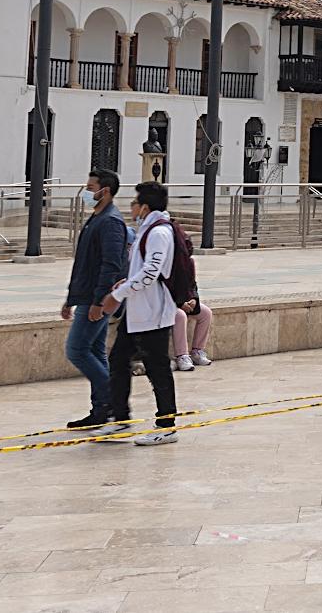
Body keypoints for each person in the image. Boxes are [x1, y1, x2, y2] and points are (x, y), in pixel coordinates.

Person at [100, 182, 180, 445]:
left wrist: (117, 295)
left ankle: (166, 425)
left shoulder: (159, 233)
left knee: (157, 369)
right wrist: (124, 284)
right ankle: (121, 419)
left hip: (153, 313)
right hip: (137, 313)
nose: (131, 207)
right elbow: (140, 269)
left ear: (144, 207)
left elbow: (150, 273)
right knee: (118, 360)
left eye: (135, 203)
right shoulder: (146, 229)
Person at [62, 169, 129, 430]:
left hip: (96, 299)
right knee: (95, 352)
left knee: (77, 350)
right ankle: (101, 408)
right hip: (87, 296)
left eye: (91, 188)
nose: (87, 193)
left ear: (106, 191)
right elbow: (83, 264)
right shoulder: (97, 219)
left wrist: (100, 302)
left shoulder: (111, 222)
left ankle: (113, 399)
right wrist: (70, 298)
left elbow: (111, 265)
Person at [171, 292, 213, 371]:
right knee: (180, 316)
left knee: (206, 313)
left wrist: (194, 299)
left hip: (184, 301)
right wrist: (180, 304)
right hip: (169, 303)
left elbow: (193, 286)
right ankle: (181, 356)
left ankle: (197, 352)